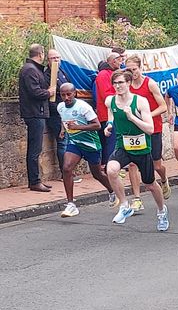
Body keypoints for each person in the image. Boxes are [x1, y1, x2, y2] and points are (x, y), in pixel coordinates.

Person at [104, 70, 169, 231]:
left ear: (128, 83)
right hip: (123, 145)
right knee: (111, 170)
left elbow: (150, 129)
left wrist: (132, 117)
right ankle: (125, 205)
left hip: (142, 148)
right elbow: (111, 115)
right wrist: (109, 126)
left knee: (150, 184)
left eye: (121, 83)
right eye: (115, 83)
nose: (118, 86)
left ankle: (162, 211)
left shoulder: (140, 102)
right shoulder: (110, 101)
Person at [57, 83, 115, 217]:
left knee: (97, 174)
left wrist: (77, 127)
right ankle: (71, 204)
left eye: (69, 94)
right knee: (66, 168)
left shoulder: (83, 107)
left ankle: (112, 191)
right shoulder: (60, 107)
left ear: (74, 93)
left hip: (91, 144)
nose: (66, 97)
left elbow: (97, 125)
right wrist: (62, 130)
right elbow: (64, 120)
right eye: (63, 95)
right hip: (75, 143)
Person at [126, 55, 171, 212]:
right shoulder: (127, 86)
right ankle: (137, 198)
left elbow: (163, 106)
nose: (132, 73)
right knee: (132, 163)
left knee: (156, 165)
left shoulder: (150, 84)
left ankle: (164, 180)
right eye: (129, 70)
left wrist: (147, 116)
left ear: (140, 68)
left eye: (134, 69)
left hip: (153, 128)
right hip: (135, 130)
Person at [18, 44, 56, 192]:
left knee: (36, 148)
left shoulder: (32, 69)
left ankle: (36, 180)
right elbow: (35, 92)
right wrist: (49, 92)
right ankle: (34, 181)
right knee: (34, 149)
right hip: (34, 113)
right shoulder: (30, 70)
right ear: (40, 54)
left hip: (36, 112)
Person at [95, 52, 124, 167]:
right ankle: (109, 165)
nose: (121, 62)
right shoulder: (103, 75)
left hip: (116, 112)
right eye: (120, 60)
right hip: (107, 114)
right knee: (110, 142)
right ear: (113, 61)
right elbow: (106, 95)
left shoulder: (113, 74)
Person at [44, 49, 69, 178]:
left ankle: (68, 171)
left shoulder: (62, 72)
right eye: (53, 58)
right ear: (48, 60)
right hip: (56, 114)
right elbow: (50, 98)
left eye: (58, 58)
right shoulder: (47, 75)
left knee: (67, 142)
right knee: (62, 141)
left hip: (67, 111)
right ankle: (65, 173)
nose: (56, 60)